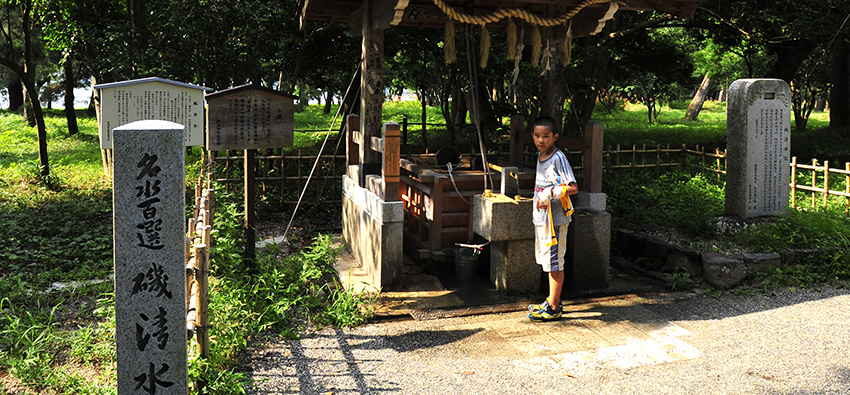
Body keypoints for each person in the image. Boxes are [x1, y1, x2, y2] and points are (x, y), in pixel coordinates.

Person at [526, 116, 578, 322]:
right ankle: (551, 299)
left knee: (555, 263)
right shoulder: (540, 156)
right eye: (537, 136)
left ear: (554, 137)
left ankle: (554, 307)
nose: (541, 140)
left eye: (545, 136)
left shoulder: (558, 158)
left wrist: (549, 194)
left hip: (555, 222)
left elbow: (572, 187)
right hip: (543, 220)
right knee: (547, 261)